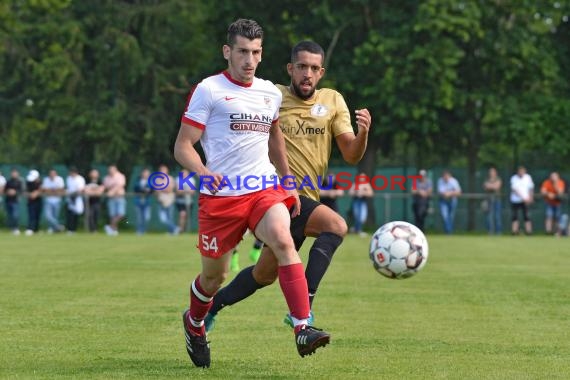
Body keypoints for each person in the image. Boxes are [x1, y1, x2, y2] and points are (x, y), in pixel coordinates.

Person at [174, 22, 331, 367]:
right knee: (213, 278)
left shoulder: (269, 93)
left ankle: (302, 326)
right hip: (221, 197)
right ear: (227, 51)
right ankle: (195, 321)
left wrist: (287, 184)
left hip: (262, 188)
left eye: (256, 52)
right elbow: (183, 146)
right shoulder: (209, 89)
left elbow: (275, 137)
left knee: (283, 240)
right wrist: (202, 173)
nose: (250, 60)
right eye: (243, 51)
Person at [204, 40, 371, 337]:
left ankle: (211, 308)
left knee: (263, 275)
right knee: (336, 225)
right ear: (290, 69)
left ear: (321, 72)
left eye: (314, 68)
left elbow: (351, 154)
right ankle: (303, 311)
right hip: (273, 193)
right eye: (302, 67)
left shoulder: (332, 101)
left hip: (305, 198)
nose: (307, 73)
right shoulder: (272, 95)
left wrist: (363, 134)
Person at [510, 166, 534, 235]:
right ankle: (514, 231)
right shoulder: (514, 178)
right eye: (520, 171)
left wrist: (530, 197)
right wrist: (523, 197)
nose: (521, 173)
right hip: (515, 200)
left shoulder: (528, 177)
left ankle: (529, 231)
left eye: (522, 171)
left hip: (526, 200)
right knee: (515, 216)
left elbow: (531, 188)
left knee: (527, 216)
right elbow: (514, 189)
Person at [155, 164, 179, 235]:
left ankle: (171, 232)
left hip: (169, 200)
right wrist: (163, 188)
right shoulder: (157, 179)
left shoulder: (170, 178)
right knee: (162, 219)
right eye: (161, 170)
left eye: (164, 170)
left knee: (170, 217)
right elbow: (156, 191)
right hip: (160, 201)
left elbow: (169, 189)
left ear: (167, 171)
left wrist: (161, 188)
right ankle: (175, 228)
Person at [103, 164, 126, 236]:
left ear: (115, 169)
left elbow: (120, 185)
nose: (111, 171)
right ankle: (114, 231)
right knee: (112, 215)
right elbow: (104, 187)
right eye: (109, 170)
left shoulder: (121, 176)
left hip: (120, 198)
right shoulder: (106, 178)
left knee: (121, 214)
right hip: (111, 199)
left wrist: (112, 192)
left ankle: (110, 227)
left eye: (112, 169)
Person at [437, 170, 462, 234]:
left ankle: (449, 231)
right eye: (444, 176)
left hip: (452, 200)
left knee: (451, 216)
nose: (445, 178)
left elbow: (459, 192)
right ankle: (448, 231)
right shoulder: (440, 181)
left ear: (449, 176)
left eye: (447, 176)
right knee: (445, 216)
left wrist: (450, 193)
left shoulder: (454, 181)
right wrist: (448, 193)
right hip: (443, 201)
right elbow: (441, 192)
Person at [41, 168, 65, 234]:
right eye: (51, 174)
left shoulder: (59, 179)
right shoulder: (46, 179)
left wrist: (52, 190)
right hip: (48, 200)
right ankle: (58, 226)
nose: (52, 175)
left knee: (55, 216)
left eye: (53, 173)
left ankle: (53, 229)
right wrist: (54, 190)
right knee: (48, 216)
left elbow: (61, 189)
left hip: (57, 200)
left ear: (56, 174)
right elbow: (45, 190)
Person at [65, 167, 86, 234]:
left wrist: (74, 193)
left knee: (76, 214)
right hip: (70, 198)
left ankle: (74, 229)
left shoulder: (80, 179)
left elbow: (81, 189)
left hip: (77, 198)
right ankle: (70, 229)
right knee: (70, 214)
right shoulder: (68, 178)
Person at [482, 166, 502, 234]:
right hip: (488, 200)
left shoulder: (498, 179)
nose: (491, 173)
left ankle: (498, 232)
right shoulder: (486, 179)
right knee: (489, 217)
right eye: (490, 172)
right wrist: (492, 186)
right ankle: (490, 231)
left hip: (497, 200)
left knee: (497, 216)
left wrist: (490, 186)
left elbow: (497, 187)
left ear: (495, 173)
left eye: (493, 172)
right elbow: (485, 187)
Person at [175, 169, 196, 233]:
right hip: (180, 201)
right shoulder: (178, 180)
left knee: (187, 216)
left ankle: (185, 230)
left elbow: (193, 192)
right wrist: (186, 191)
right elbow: (178, 191)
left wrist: (183, 191)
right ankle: (180, 230)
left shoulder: (191, 180)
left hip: (189, 201)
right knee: (182, 214)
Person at [133, 168, 153, 235]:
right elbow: (136, 189)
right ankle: (139, 231)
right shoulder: (137, 181)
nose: (145, 175)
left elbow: (151, 190)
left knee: (147, 217)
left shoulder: (151, 182)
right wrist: (144, 190)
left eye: (147, 173)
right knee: (139, 218)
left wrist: (146, 190)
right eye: (145, 173)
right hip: (138, 201)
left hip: (147, 202)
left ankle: (143, 230)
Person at [5, 168, 23, 235]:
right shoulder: (8, 181)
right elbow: (5, 190)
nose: (14, 174)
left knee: (15, 215)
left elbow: (21, 191)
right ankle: (12, 228)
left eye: (15, 173)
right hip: (8, 201)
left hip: (15, 201)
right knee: (10, 216)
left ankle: (16, 228)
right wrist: (8, 191)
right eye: (13, 173)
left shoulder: (19, 182)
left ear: (18, 174)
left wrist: (15, 192)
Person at [25, 170, 42, 236]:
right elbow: (25, 191)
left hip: (38, 201)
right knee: (31, 215)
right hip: (30, 201)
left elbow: (42, 189)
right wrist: (30, 194)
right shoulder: (28, 182)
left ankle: (36, 229)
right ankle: (30, 228)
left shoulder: (40, 182)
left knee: (37, 215)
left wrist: (37, 192)